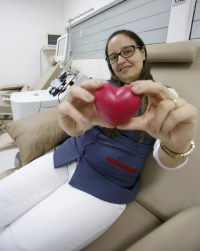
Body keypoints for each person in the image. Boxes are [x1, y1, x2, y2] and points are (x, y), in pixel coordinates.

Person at [0, 30, 197, 251]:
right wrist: (72, 126)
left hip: (104, 185)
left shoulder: (163, 96)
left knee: (14, 244)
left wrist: (175, 146)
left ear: (143, 52)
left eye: (128, 51)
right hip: (66, 157)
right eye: (113, 57)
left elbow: (166, 159)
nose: (121, 60)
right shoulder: (101, 88)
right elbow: (77, 123)